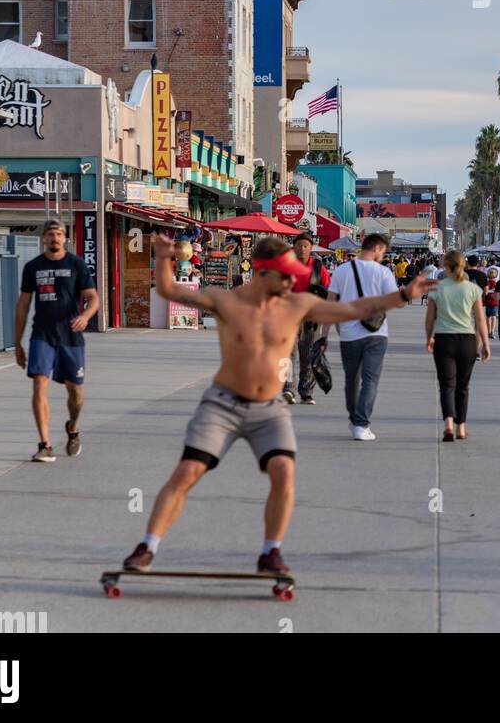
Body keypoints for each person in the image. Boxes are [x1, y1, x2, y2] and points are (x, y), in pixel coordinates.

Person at [123, 235, 435, 576]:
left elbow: (354, 309)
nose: (291, 282)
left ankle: (271, 552)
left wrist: (404, 294)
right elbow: (170, 291)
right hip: (222, 404)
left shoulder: (297, 304)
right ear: (262, 273)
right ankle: (147, 546)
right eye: (284, 275)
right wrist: (166, 258)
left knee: (284, 473)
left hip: (269, 409)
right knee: (187, 472)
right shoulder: (226, 301)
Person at [14, 218, 99, 463]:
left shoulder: (77, 265)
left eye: (59, 234)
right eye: (50, 234)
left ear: (65, 238)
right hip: (42, 334)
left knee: (76, 392)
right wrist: (17, 342)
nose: (54, 238)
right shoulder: (33, 267)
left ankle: (73, 427)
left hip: (71, 336)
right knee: (40, 383)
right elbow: (23, 305)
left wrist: (85, 316)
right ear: (44, 239)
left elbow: (93, 298)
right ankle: (45, 444)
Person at [320, 232, 399, 440]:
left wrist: (324, 335)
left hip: (348, 333)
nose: (383, 256)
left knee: (351, 379)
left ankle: (355, 420)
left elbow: (330, 304)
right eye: (383, 251)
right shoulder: (383, 272)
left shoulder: (341, 271)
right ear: (377, 248)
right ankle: (361, 424)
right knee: (370, 380)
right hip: (377, 333)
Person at [425, 250, 490, 441]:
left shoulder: (436, 288)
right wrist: (485, 344)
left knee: (446, 385)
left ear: (445, 265)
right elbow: (480, 320)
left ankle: (448, 425)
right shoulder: (472, 289)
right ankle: (461, 427)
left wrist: (429, 337)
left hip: (444, 339)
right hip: (467, 341)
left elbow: (429, 319)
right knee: (463, 385)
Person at [282, 234, 331, 405]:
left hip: (311, 316)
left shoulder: (318, 267)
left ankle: (306, 392)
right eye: (299, 245)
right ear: (293, 247)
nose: (302, 249)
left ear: (311, 248)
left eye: (306, 246)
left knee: (309, 354)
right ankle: (287, 388)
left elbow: (326, 289)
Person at [483, 266, 500, 340]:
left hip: (487, 302)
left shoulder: (486, 283)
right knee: (494, 317)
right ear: (496, 275)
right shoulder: (496, 284)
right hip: (494, 302)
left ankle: (488, 331)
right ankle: (492, 332)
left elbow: (484, 292)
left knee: (488, 317)